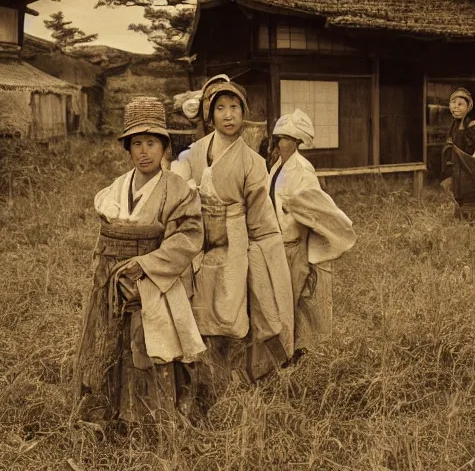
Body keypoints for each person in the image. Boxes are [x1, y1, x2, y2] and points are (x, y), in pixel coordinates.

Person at [73, 96, 206, 428]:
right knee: (109, 342)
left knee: (151, 345)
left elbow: (189, 236)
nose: (144, 151)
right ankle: (108, 413)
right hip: (112, 279)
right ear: (128, 149)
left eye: (151, 142)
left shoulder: (178, 190)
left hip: (156, 280)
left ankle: (150, 417)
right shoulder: (116, 189)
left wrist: (145, 264)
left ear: (164, 147)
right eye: (136, 143)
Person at [171, 75, 294, 407]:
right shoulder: (194, 152)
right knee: (195, 313)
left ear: (244, 113)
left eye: (235, 108)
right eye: (220, 108)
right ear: (209, 115)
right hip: (197, 239)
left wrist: (268, 252)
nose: (228, 115)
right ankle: (196, 384)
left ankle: (227, 385)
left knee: (229, 315)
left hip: (234, 241)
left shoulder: (252, 163)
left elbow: (261, 218)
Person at [267, 109, 357, 366]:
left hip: (295, 244)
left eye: (286, 139)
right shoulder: (276, 166)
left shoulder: (303, 169)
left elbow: (315, 207)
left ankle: (296, 353)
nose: (281, 143)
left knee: (294, 299)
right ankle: (284, 352)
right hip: (277, 243)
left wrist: (294, 207)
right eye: (280, 138)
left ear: (296, 142)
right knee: (280, 300)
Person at [443, 88, 475, 221]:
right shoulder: (452, 127)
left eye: (460, 104)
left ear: (468, 107)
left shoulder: (473, 126)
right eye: (453, 103)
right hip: (457, 173)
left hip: (469, 174)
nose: (456, 107)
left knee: (471, 205)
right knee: (458, 206)